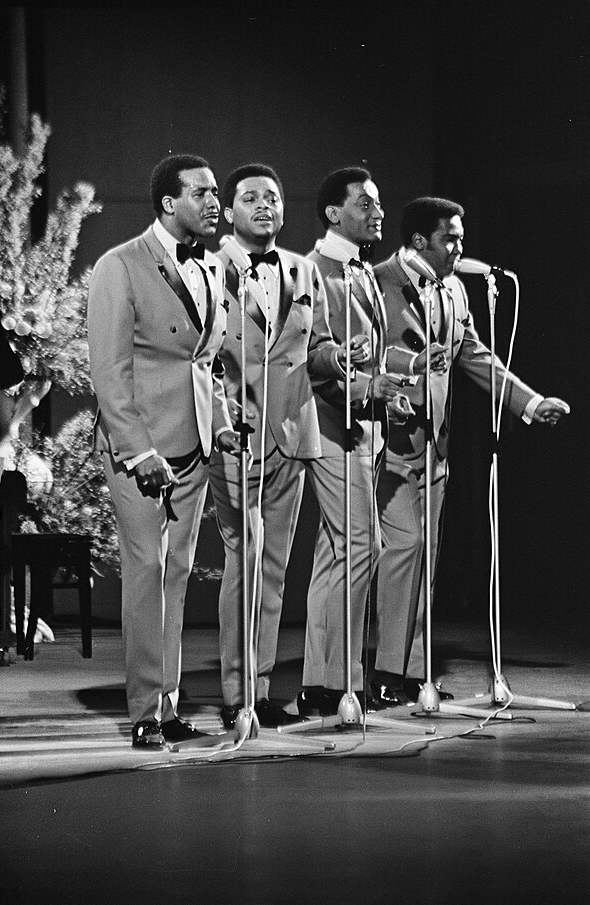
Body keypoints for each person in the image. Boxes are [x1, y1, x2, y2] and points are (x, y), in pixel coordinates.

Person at [372, 196, 570, 706]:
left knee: (426, 559)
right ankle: (387, 671)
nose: (460, 247)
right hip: (388, 439)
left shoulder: (456, 290)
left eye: (461, 238)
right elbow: (366, 352)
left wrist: (528, 403)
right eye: (450, 239)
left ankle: (412, 670)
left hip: (436, 444)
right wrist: (412, 361)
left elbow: (474, 356)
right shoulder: (376, 282)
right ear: (419, 240)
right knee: (404, 551)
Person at [88, 154, 241, 747]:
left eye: (213, 193)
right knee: (147, 572)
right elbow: (108, 370)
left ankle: (168, 702)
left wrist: (222, 424)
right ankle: (145, 711)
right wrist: (136, 449)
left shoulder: (209, 269)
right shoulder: (119, 266)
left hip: (195, 443)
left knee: (175, 573)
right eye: (201, 193)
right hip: (142, 451)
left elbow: (206, 362)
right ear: (167, 202)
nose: (214, 203)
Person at [210, 163, 358, 730]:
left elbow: (314, 349)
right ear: (230, 211)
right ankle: (233, 696)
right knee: (244, 558)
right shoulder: (208, 267)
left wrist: (337, 358)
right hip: (235, 433)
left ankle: (259, 690)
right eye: (251, 198)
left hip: (292, 433)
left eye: (272, 197)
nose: (265, 206)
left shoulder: (301, 269)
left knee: (272, 568)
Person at [297, 167, 412, 717]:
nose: (377, 212)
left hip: (364, 423)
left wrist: (391, 384)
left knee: (338, 551)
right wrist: (368, 382)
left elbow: (371, 350)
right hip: (331, 423)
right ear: (333, 213)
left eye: (378, 203)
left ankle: (321, 682)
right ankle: (342, 680)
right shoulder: (314, 271)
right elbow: (316, 355)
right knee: (360, 546)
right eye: (365, 204)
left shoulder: (363, 273)